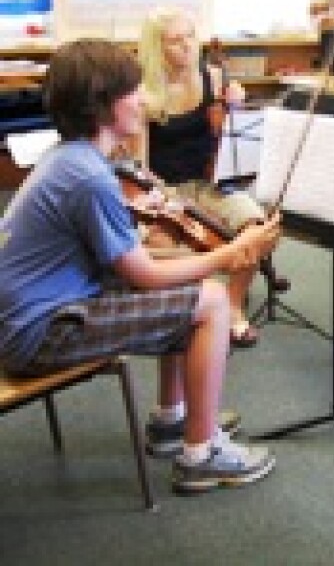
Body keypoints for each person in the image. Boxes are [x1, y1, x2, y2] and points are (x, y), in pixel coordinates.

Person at [0, 39, 281, 494]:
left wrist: (197, 256)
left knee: (190, 279)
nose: (143, 100)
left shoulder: (70, 159)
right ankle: (201, 453)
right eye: (133, 92)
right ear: (101, 105)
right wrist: (230, 255)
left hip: (31, 315)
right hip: (39, 333)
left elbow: (129, 260)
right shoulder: (90, 177)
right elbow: (144, 275)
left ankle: (172, 420)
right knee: (209, 301)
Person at [135, 7, 284, 348]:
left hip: (211, 181)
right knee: (162, 243)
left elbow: (234, 139)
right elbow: (140, 168)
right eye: (175, 40)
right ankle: (191, 312)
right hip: (165, 187)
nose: (187, 46)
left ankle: (232, 305)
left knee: (257, 226)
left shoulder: (214, 77)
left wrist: (238, 107)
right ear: (157, 47)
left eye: (190, 36)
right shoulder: (144, 93)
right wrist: (171, 203)